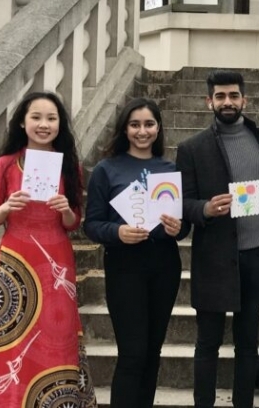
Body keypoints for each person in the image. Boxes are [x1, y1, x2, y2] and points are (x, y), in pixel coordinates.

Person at [0, 91, 95, 407]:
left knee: (59, 336)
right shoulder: (4, 165)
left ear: (60, 124)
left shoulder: (69, 166)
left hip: (56, 255)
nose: (43, 124)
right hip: (16, 257)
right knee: (15, 338)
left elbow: (73, 223)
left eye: (51, 118)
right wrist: (7, 207)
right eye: (36, 117)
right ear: (22, 121)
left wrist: (65, 210)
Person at [83, 98, 188, 407]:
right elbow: (92, 224)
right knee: (132, 353)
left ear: (158, 128)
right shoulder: (107, 169)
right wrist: (117, 232)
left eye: (149, 124)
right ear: (125, 129)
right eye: (135, 124)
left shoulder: (170, 170)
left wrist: (177, 229)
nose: (142, 131)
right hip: (125, 266)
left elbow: (182, 228)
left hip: (164, 264)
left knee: (152, 352)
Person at [176, 71, 259, 408]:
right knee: (208, 342)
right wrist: (205, 208)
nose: (227, 102)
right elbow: (182, 202)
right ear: (209, 101)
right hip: (214, 257)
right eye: (220, 96)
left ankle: (243, 403)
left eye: (233, 95)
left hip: (256, 255)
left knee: (247, 342)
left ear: (245, 99)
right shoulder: (191, 148)